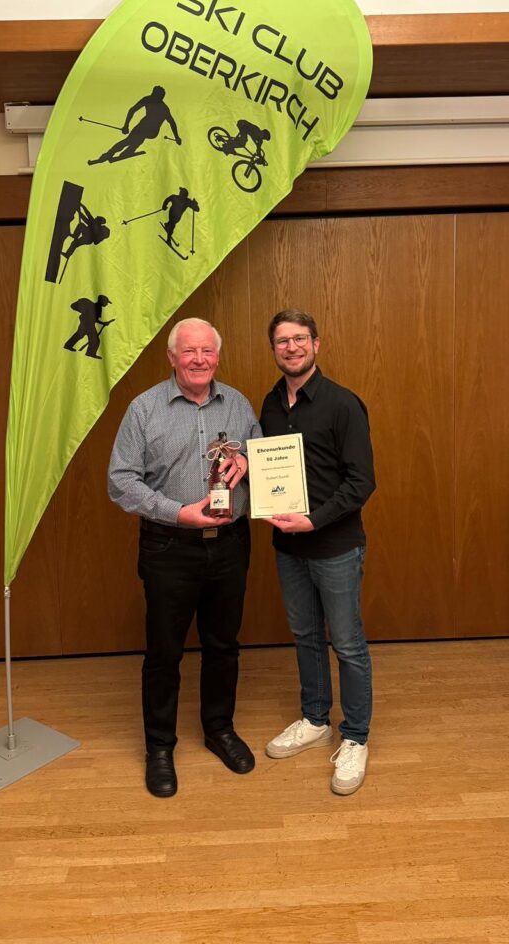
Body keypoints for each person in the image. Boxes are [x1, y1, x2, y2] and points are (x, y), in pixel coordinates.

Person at [108, 318, 260, 798]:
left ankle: (219, 729)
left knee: (223, 645)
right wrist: (177, 513)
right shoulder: (144, 409)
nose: (199, 359)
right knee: (164, 652)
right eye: (189, 351)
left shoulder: (238, 404)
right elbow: (121, 481)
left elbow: (263, 458)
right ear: (172, 357)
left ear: (218, 356)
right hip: (168, 548)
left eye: (207, 351)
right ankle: (159, 747)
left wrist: (249, 460)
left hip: (230, 545)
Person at [260, 309, 376, 795]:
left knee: (346, 643)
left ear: (316, 344)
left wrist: (313, 519)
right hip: (288, 546)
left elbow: (362, 482)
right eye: (282, 341)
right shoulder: (269, 404)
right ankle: (314, 720)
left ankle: (355, 737)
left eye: (300, 339)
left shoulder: (343, 404)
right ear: (274, 349)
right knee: (305, 635)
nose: (291, 347)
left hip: (334, 545)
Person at [89, 85, 181, 165]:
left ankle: (112, 154)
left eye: (156, 97)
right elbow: (132, 110)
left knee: (130, 140)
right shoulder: (148, 100)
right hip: (146, 128)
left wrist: (177, 137)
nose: (153, 98)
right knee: (135, 139)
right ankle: (125, 151)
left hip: (151, 130)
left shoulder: (163, 108)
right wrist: (126, 125)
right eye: (153, 95)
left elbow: (172, 123)